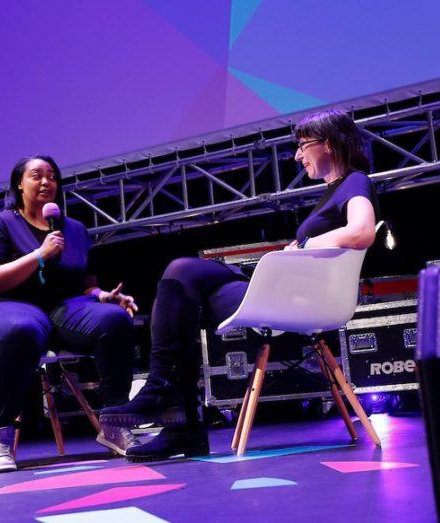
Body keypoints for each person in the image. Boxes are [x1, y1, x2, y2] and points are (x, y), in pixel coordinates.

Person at [99, 109, 380, 462]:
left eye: (302, 146)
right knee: (181, 286)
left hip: (304, 299)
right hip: (291, 290)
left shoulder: (355, 181)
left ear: (327, 143)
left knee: (182, 278)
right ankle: (175, 413)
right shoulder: (334, 190)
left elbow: (362, 231)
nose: (297, 155)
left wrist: (305, 245)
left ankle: (176, 414)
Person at [0, 155, 139, 473]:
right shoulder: (2, 224)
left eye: (52, 176)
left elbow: (85, 285)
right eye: (36, 175)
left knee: (115, 320)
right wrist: (38, 255)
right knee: (19, 330)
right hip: (9, 305)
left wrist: (105, 296)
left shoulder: (73, 229)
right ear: (19, 183)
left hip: (64, 308)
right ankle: (1, 437)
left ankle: (116, 423)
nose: (46, 182)